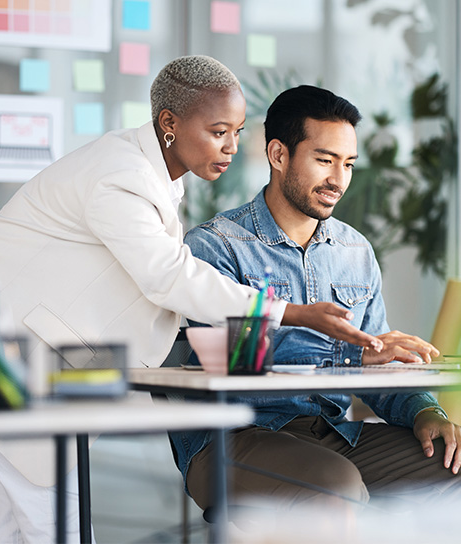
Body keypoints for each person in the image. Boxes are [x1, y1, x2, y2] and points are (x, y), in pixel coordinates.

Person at [0, 59, 382, 542]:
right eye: (218, 130)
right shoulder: (121, 174)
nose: (230, 147)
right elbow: (167, 276)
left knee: (24, 522)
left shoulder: (153, 177)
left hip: (17, 355)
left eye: (238, 132)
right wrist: (292, 312)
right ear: (169, 124)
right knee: (58, 518)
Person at [172, 85, 461, 519]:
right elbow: (232, 363)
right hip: (233, 436)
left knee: (450, 461)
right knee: (335, 488)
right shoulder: (216, 247)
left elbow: (379, 358)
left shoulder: (355, 251)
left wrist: (424, 410)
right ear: (278, 155)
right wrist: (353, 356)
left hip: (336, 433)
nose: (338, 180)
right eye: (325, 160)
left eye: (347, 164)